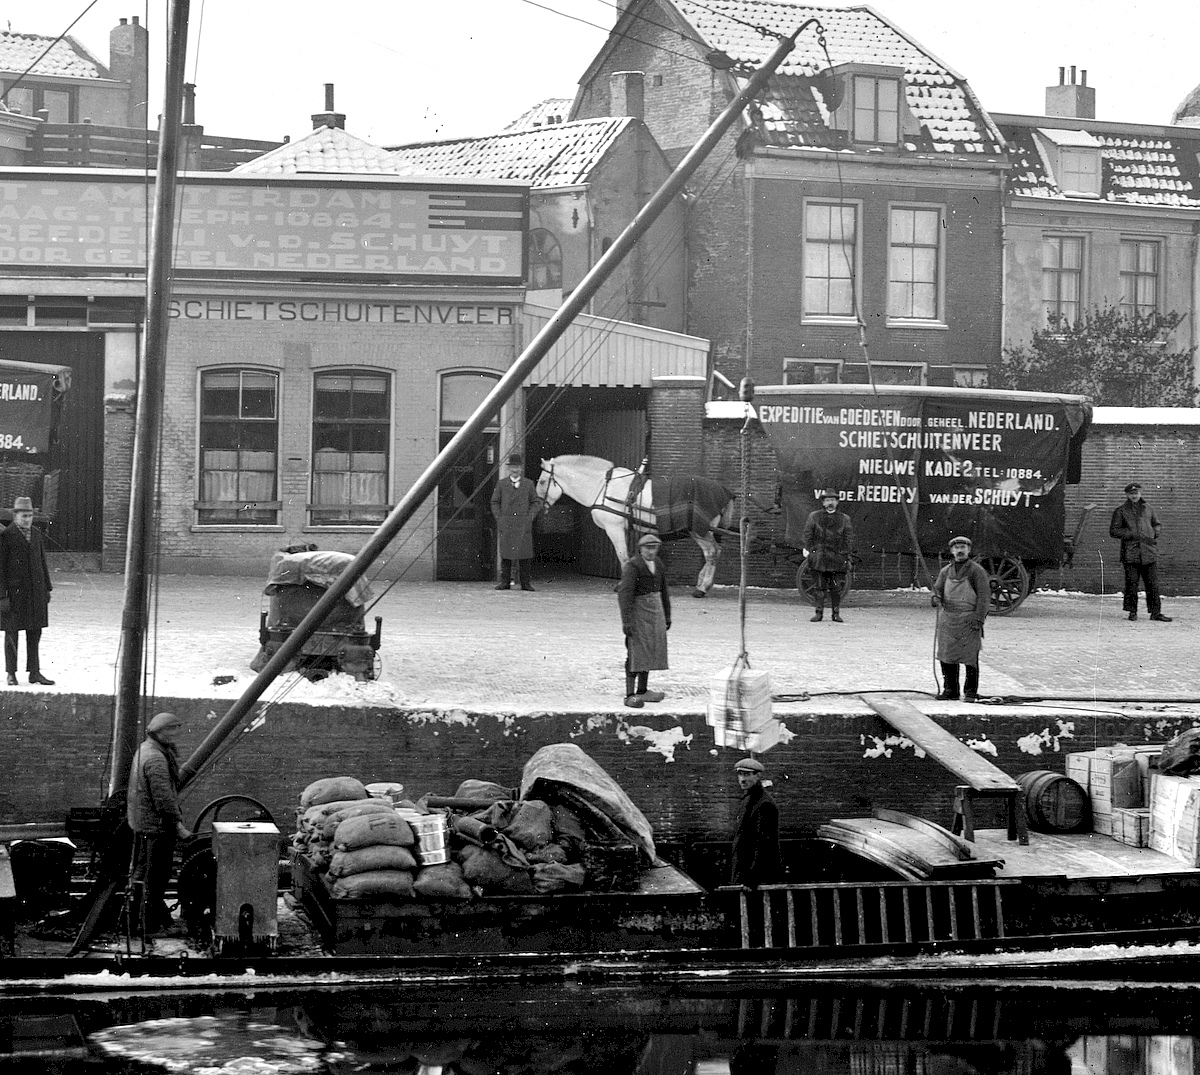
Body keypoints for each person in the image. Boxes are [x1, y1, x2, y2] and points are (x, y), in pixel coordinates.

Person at [126, 711, 191, 937]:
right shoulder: (156, 759)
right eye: (172, 731)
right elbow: (163, 799)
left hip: (142, 824)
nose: (175, 736)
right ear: (160, 732)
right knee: (156, 879)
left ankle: (140, 921)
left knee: (143, 875)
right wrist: (178, 825)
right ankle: (149, 927)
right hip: (156, 828)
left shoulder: (145, 749)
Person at [0, 495, 54, 686]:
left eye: (30, 516)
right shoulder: (6, 536)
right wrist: (2, 596)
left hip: (35, 592)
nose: (27, 519)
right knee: (12, 633)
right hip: (14, 595)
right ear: (15, 516)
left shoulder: (36, 534)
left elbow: (42, 562)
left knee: (34, 632)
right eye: (24, 516)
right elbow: (0, 569)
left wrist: (47, 588)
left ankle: (34, 672)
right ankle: (11, 673)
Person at [932, 535, 990, 702]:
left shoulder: (977, 571)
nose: (960, 550)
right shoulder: (945, 571)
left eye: (963, 547)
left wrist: (978, 618)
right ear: (952, 551)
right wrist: (936, 598)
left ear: (968, 550)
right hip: (948, 620)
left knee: (970, 657)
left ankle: (970, 692)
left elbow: (984, 597)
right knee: (947, 656)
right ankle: (951, 690)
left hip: (969, 619)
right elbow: (938, 590)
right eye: (956, 548)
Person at [617, 531, 671, 709]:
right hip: (638, 613)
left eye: (654, 548)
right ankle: (629, 694)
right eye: (648, 548)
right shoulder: (632, 566)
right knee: (635, 652)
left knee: (650, 651)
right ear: (640, 549)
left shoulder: (658, 564)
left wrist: (667, 615)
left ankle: (643, 690)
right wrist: (627, 621)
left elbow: (664, 591)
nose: (651, 552)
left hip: (655, 613)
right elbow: (625, 595)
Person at [1110, 482, 1172, 622]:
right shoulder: (1121, 511)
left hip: (1149, 552)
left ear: (1140, 493)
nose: (1134, 496)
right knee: (1131, 584)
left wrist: (1154, 533)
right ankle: (1132, 612)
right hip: (1130, 553)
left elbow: (1157, 524)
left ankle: (1156, 613)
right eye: (1131, 494)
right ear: (1127, 495)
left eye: (1136, 493)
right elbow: (1114, 531)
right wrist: (1131, 534)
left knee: (1153, 584)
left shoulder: (1148, 508)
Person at [490, 452, 541, 591]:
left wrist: (530, 517)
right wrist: (499, 518)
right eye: (512, 467)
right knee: (506, 555)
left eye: (517, 467)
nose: (515, 470)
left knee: (524, 555)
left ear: (521, 468)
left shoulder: (529, 484)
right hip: (507, 524)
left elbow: (536, 502)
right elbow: (494, 502)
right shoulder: (501, 484)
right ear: (508, 468)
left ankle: (525, 583)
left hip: (523, 524)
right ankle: (505, 582)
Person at [801, 489, 854, 623]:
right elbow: (808, 534)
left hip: (837, 558)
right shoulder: (814, 517)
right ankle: (818, 613)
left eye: (833, 500)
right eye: (828, 500)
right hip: (819, 557)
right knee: (819, 587)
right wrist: (810, 550)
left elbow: (848, 539)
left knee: (836, 588)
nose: (830, 503)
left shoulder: (844, 519)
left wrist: (844, 553)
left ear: (837, 502)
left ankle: (835, 614)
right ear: (823, 503)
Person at [730, 758, 781, 887]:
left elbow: (763, 844)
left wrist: (750, 880)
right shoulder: (748, 800)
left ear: (758, 776)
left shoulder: (765, 804)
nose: (742, 779)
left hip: (756, 878)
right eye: (740, 774)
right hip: (743, 872)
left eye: (747, 775)